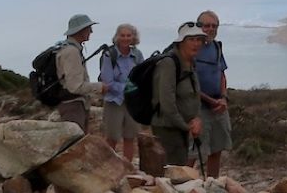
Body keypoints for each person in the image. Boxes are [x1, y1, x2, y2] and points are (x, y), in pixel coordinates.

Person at [151, 22, 205, 167]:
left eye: (199, 39)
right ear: (181, 42)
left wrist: (196, 119)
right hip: (167, 129)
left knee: (180, 170)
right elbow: (167, 102)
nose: (196, 44)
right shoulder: (169, 63)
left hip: (181, 129)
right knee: (171, 173)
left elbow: (194, 94)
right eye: (191, 39)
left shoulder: (189, 62)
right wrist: (187, 126)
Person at [193, 10, 231, 178]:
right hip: (197, 108)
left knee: (216, 148)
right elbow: (189, 84)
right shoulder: (191, 48)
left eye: (214, 26)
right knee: (194, 151)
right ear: (198, 27)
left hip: (218, 106)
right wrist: (212, 101)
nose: (210, 29)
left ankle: (212, 184)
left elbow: (221, 74)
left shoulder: (216, 47)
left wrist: (223, 98)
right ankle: (183, 187)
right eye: (206, 25)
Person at [99, 23, 144, 163]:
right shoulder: (109, 55)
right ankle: (106, 167)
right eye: (122, 35)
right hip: (114, 101)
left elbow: (142, 76)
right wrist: (127, 88)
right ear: (117, 37)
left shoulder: (137, 55)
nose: (125, 38)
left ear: (133, 37)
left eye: (128, 35)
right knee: (112, 137)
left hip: (132, 103)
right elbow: (107, 82)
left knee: (130, 137)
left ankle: (127, 168)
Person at [56, 14, 107, 132]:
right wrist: (100, 87)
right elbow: (75, 86)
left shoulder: (69, 49)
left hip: (74, 105)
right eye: (89, 28)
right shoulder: (71, 52)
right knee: (74, 146)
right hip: (73, 106)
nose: (91, 31)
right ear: (81, 30)